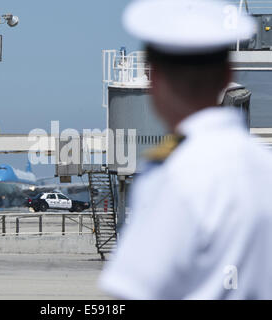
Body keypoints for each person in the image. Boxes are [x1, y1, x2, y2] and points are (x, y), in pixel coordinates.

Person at [99, 0, 272, 299]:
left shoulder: (172, 175)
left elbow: (136, 290)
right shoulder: (263, 167)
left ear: (154, 81)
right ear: (228, 74)